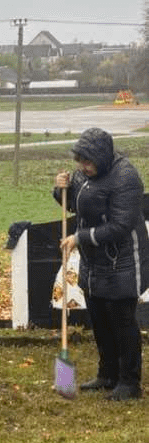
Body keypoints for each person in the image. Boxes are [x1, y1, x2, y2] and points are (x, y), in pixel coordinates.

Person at [54, 127, 149, 401]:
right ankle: (107, 375)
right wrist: (60, 189)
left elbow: (120, 226)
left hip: (124, 262)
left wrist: (80, 237)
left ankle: (129, 383)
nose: (83, 167)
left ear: (103, 157)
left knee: (122, 321)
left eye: (88, 161)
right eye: (80, 161)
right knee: (100, 320)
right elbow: (75, 204)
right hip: (95, 264)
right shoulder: (84, 175)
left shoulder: (126, 178)